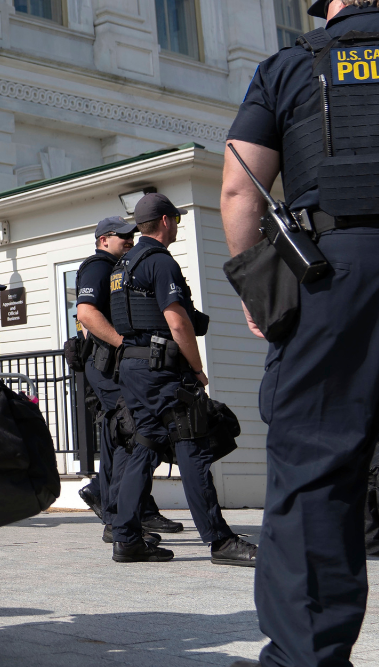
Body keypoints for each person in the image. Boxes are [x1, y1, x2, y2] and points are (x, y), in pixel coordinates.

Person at [220, 0, 379, 663]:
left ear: (338, 2)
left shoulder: (291, 64)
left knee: (315, 467)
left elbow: (238, 188)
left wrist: (260, 288)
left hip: (333, 275)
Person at [106, 193, 256, 568]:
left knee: (145, 446)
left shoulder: (121, 265)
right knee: (192, 446)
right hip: (163, 371)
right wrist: (198, 367)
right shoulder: (159, 262)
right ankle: (220, 541)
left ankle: (126, 538)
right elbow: (177, 321)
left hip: (134, 368)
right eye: (175, 219)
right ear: (166, 221)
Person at [73, 218, 182, 541]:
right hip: (108, 364)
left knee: (122, 435)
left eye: (132, 234)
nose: (130, 239)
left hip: (113, 365)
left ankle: (118, 506)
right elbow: (86, 314)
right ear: (103, 240)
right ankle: (121, 515)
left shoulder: (120, 266)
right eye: (122, 236)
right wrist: (125, 344)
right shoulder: (99, 265)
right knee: (131, 432)